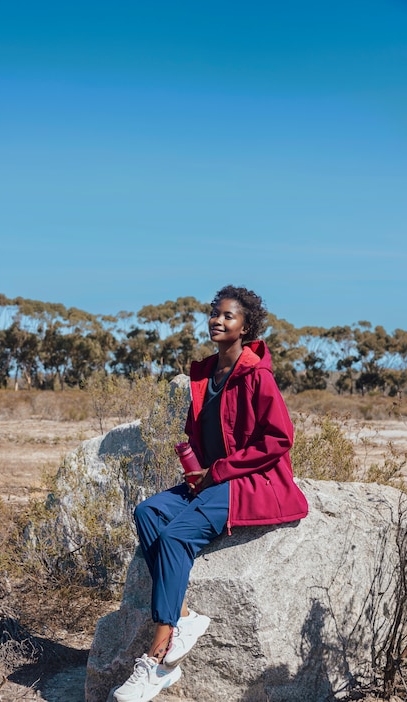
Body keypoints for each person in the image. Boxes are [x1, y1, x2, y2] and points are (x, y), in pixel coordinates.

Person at [113, 284, 308, 702]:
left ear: (246, 326)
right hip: (210, 478)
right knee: (148, 512)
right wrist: (197, 467)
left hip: (249, 480)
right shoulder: (204, 373)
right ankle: (184, 616)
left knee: (176, 537)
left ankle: (157, 659)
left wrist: (218, 470)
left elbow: (279, 439)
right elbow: (197, 429)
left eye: (229, 316)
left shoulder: (258, 375)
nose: (218, 320)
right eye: (215, 313)